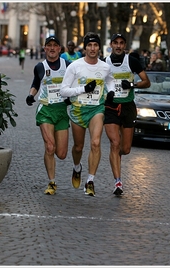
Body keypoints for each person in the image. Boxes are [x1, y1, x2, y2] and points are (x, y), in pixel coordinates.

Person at [59, 32, 115, 196]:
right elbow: (63, 91)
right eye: (89, 45)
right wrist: (83, 89)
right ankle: (77, 167)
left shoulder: (104, 67)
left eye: (95, 45)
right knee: (78, 146)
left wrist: (110, 91)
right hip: (78, 109)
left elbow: (110, 80)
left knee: (96, 143)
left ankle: (90, 180)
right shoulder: (75, 66)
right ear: (85, 47)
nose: (92, 48)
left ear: (99, 47)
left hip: (97, 108)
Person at [104, 33, 151, 195]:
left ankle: (116, 156)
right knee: (114, 143)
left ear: (125, 45)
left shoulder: (131, 61)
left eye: (121, 43)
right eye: (115, 43)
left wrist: (131, 84)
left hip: (128, 107)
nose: (118, 46)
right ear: (111, 44)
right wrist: (106, 94)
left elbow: (147, 82)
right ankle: (118, 182)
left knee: (125, 149)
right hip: (110, 107)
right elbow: (97, 82)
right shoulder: (104, 63)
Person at [26, 36, 71, 195]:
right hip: (45, 109)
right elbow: (36, 83)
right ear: (45, 48)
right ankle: (52, 182)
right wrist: (31, 95)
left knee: (62, 154)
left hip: (61, 111)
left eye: (55, 46)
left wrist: (71, 98)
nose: (52, 48)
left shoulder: (68, 65)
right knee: (50, 147)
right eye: (49, 45)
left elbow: (75, 84)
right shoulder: (40, 67)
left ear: (60, 49)